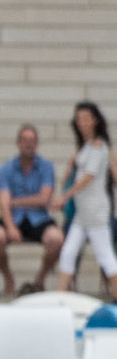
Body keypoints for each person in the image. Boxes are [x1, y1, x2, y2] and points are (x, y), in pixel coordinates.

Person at [0, 123, 64, 293]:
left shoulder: (46, 167)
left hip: (39, 219)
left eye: (32, 140)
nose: (29, 144)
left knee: (57, 239)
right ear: (18, 143)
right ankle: (8, 277)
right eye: (25, 140)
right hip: (13, 218)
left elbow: (44, 199)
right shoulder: (6, 168)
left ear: (37, 144)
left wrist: (14, 201)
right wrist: (10, 227)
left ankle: (40, 278)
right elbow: (3, 203)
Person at [52, 100, 116, 297]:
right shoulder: (86, 147)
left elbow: (88, 177)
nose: (82, 123)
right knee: (68, 253)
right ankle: (60, 298)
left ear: (95, 120)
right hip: (82, 213)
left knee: (105, 256)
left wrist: (65, 196)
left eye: (86, 119)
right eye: (79, 119)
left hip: (95, 213)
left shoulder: (98, 147)